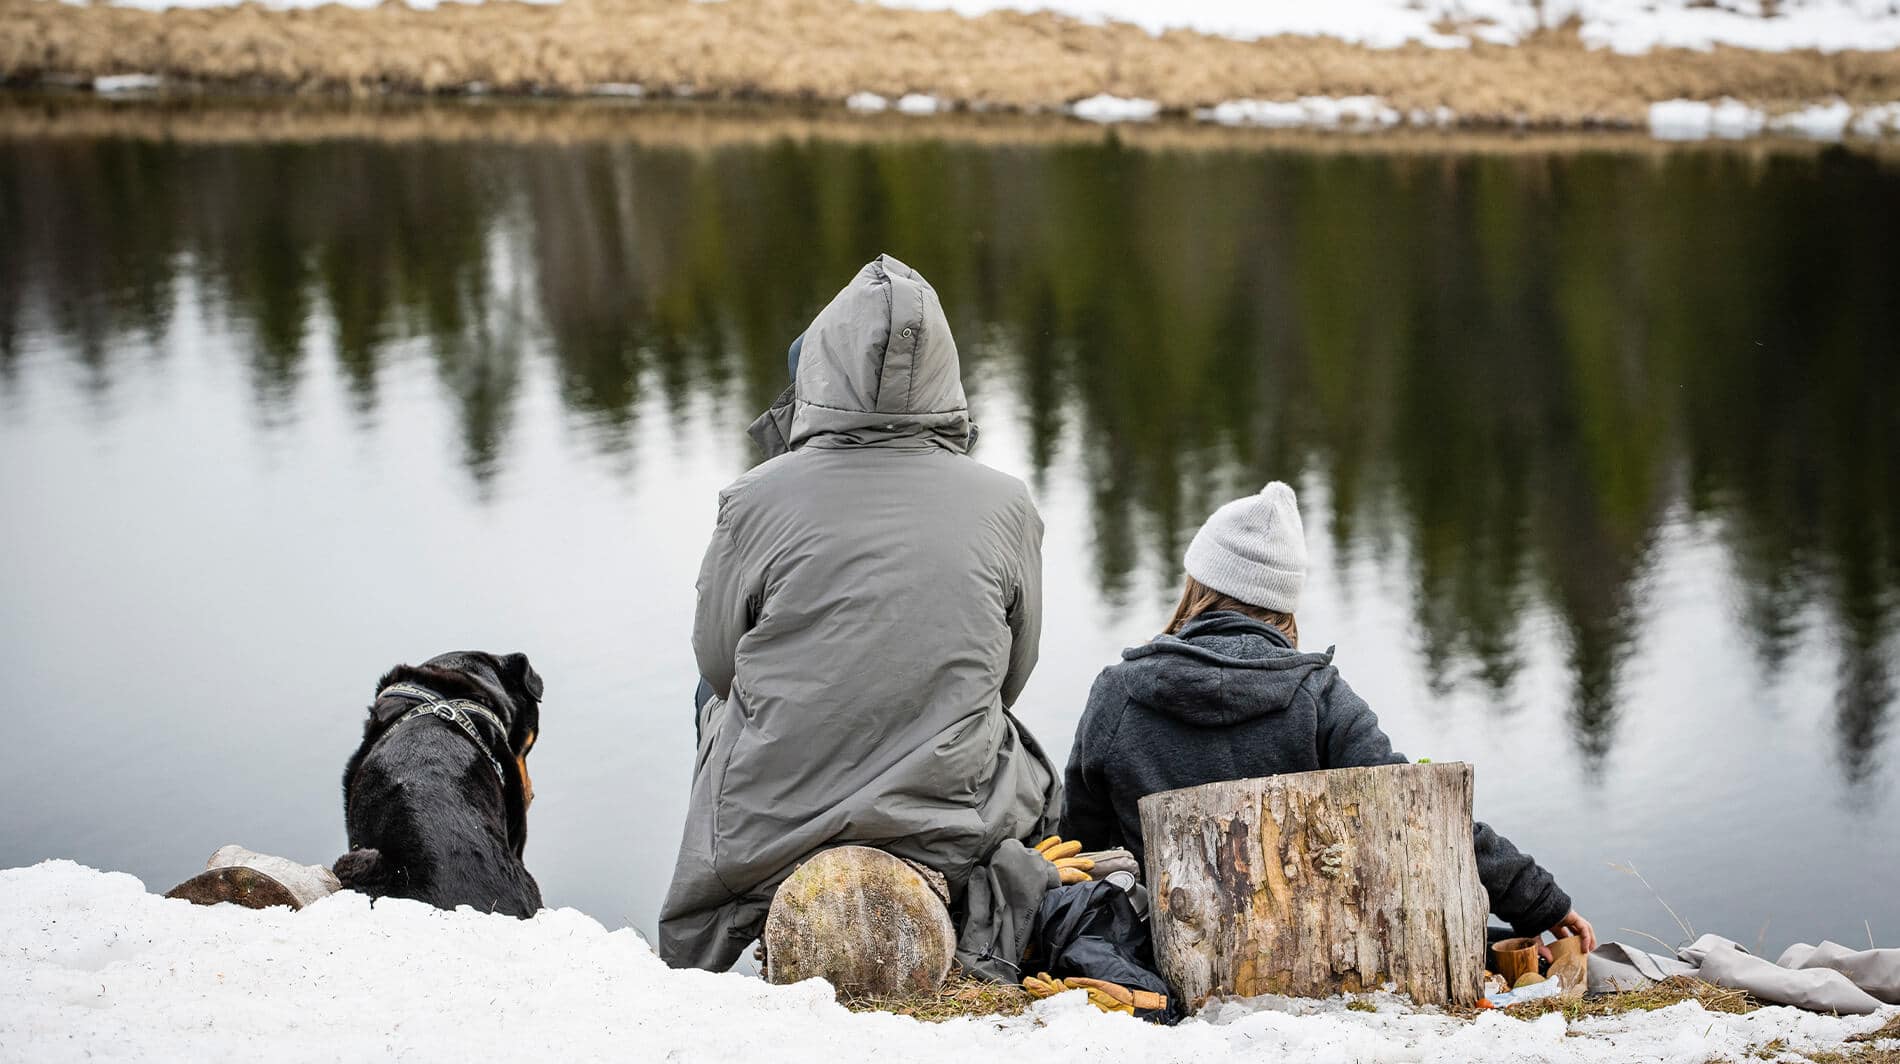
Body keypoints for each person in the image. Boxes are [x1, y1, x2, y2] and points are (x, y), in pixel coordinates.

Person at [659, 254, 1059, 971]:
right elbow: (1012, 675)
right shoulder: (1008, 504)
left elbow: (718, 666)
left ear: (821, 366)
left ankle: (745, 893)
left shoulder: (754, 497)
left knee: (711, 701)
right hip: (951, 822)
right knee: (1012, 741)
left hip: (772, 825)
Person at [1060, 482, 1596, 952]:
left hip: (1163, 954)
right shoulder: (1319, 699)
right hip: (1304, 953)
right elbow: (1419, 816)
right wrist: (1538, 901)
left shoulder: (1118, 694)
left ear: (1198, 584)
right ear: (1284, 602)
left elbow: (1079, 848)